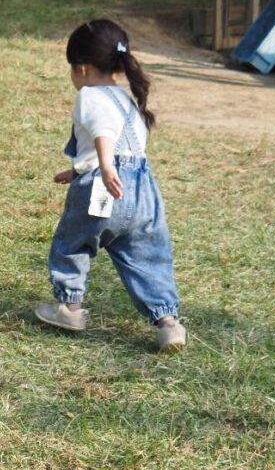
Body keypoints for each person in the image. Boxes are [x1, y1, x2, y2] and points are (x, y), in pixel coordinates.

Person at [35, 19, 187, 351]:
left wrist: (103, 166)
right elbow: (128, 149)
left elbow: (104, 135)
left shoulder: (90, 96)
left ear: (83, 68)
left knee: (72, 243)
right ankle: (168, 323)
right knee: (147, 257)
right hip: (143, 192)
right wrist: (76, 172)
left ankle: (69, 309)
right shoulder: (126, 98)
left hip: (105, 188)